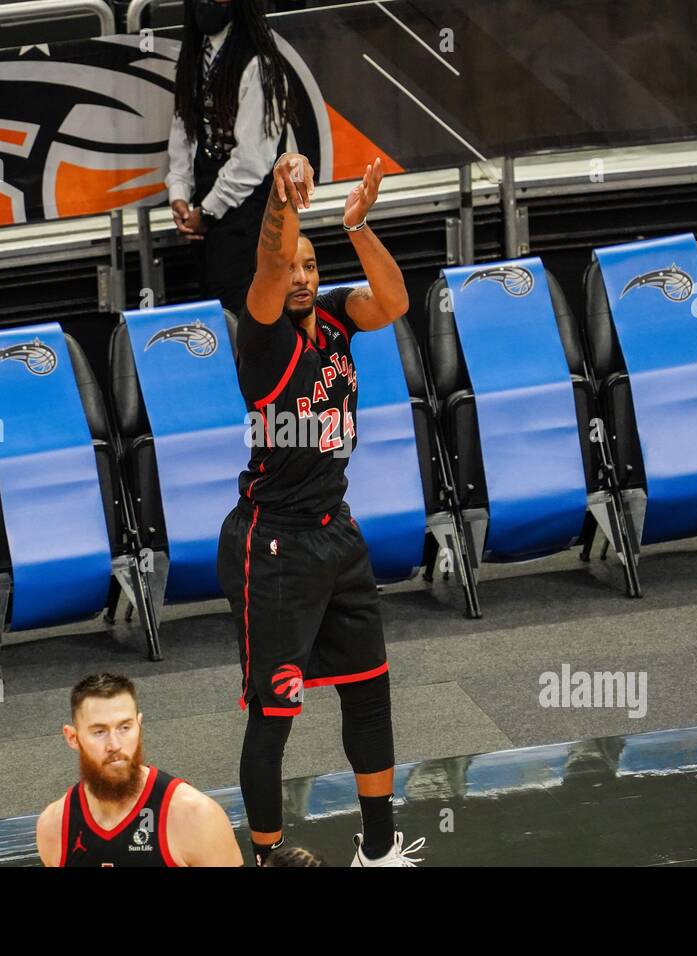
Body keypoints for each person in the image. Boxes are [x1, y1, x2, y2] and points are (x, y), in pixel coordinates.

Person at [216, 152, 426, 866]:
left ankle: (376, 846)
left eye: (312, 264)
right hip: (271, 546)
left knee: (369, 692)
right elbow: (270, 265)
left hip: (337, 533)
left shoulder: (336, 318)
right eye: (294, 266)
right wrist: (283, 202)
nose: (302, 274)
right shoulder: (263, 333)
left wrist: (359, 225)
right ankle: (271, 856)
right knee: (275, 715)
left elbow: (394, 301)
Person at [167, 0, 296, 316]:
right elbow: (183, 131)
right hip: (208, 213)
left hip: (253, 213)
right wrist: (179, 193)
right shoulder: (195, 57)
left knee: (253, 315)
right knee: (218, 313)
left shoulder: (261, 64)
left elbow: (253, 158)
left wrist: (209, 211)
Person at [35, 673, 242, 867]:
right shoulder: (54, 826)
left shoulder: (194, 816)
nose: (114, 744)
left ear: (139, 725)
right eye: (99, 732)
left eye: (125, 727)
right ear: (73, 738)